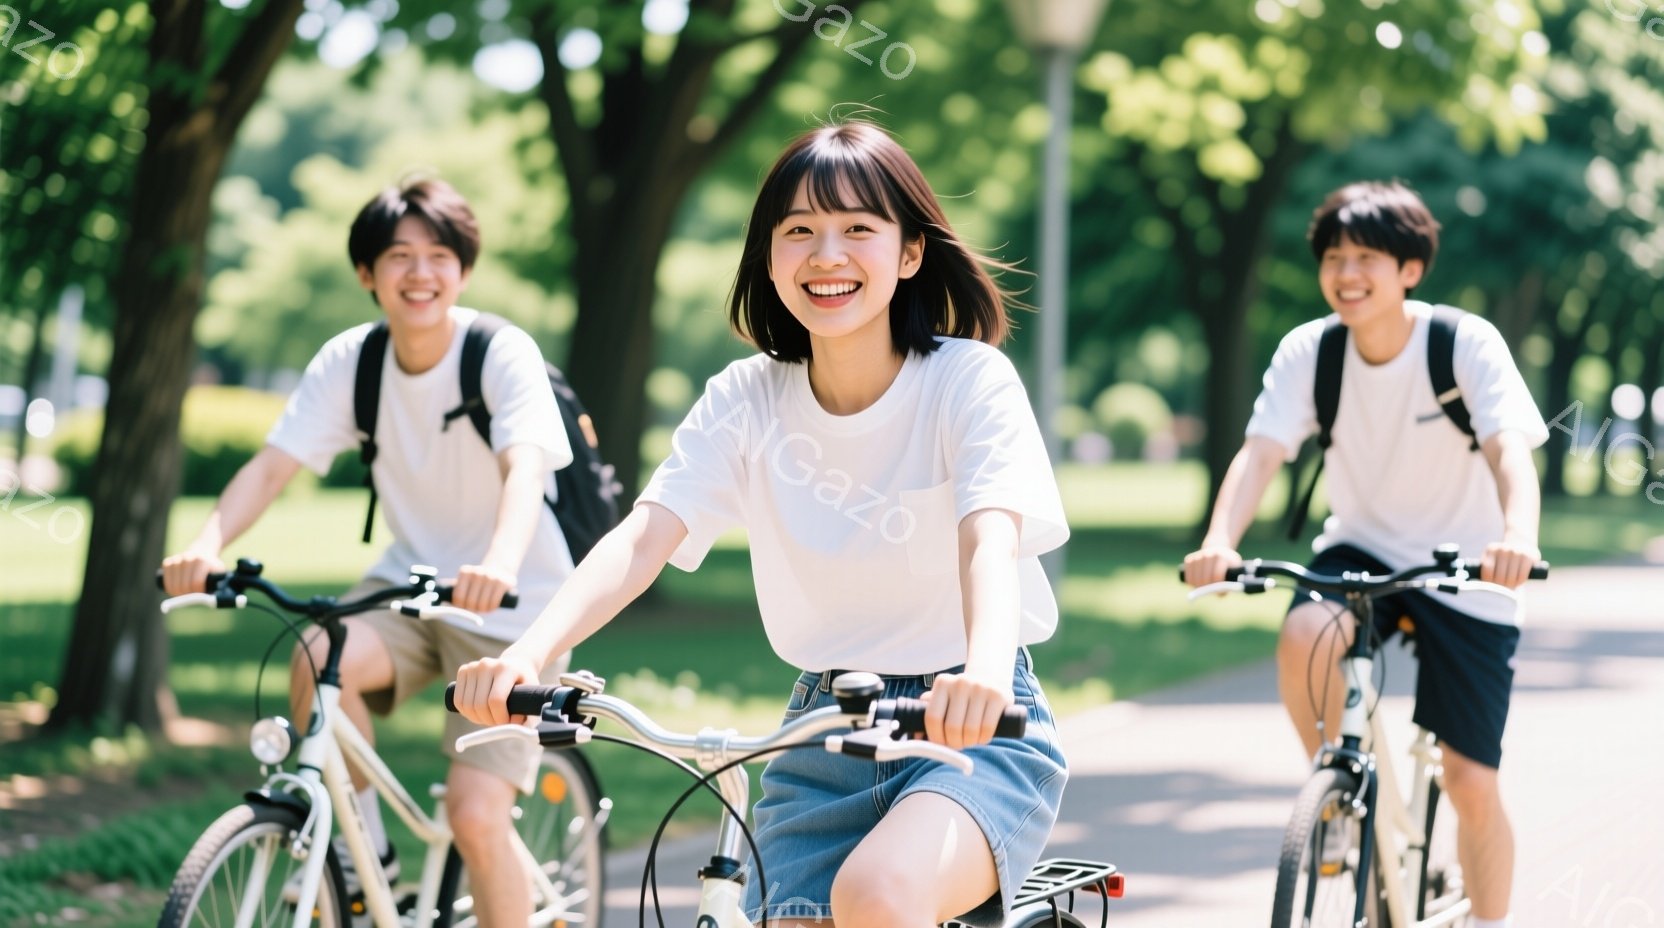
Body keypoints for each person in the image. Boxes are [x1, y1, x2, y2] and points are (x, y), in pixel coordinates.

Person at [454, 120, 1070, 927]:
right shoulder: (746, 399)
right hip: (821, 728)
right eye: (799, 231)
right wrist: (526, 654)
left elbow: (987, 537)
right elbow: (645, 535)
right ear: (768, 254)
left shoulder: (967, 381)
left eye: (858, 229)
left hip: (972, 724)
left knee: (875, 897)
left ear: (910, 252)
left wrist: (985, 673)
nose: (826, 255)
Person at [160, 178, 575, 927]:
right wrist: (204, 544)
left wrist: (502, 563)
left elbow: (527, 467)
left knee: (479, 817)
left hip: (519, 605)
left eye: (439, 255)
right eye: (398, 256)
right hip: (412, 587)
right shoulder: (352, 362)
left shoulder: (498, 350)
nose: (420, 273)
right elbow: (272, 466)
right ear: (367, 273)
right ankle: (364, 861)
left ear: (464, 269)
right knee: (318, 656)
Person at [1182, 180, 1549, 927]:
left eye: (1368, 257)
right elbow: (1260, 456)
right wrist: (1219, 540)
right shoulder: (1310, 351)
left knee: (1473, 781)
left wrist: (1518, 536)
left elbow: (1511, 450)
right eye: (1334, 257)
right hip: (1362, 545)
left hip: (1469, 565)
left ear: (1410, 269)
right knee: (1303, 632)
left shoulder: (1462, 343)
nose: (1347, 273)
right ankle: (1341, 791)